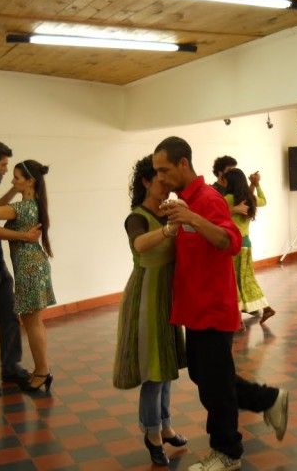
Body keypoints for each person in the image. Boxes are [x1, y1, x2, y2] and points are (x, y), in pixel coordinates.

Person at [153, 137, 288, 471]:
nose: (161, 178)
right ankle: (269, 399)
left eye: (165, 170)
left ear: (183, 163)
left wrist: (194, 219)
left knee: (215, 385)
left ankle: (227, 451)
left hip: (212, 307)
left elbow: (230, 241)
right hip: (195, 306)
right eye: (157, 172)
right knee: (207, 377)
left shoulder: (207, 199)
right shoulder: (185, 201)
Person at [112, 155, 187, 467]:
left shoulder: (168, 210)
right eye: (160, 180)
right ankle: (152, 433)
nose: (166, 185)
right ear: (145, 182)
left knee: (165, 366)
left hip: (166, 295)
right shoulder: (137, 217)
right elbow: (139, 244)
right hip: (146, 295)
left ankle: (166, 426)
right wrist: (169, 230)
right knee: (153, 372)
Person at [0, 159, 56, 393]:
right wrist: (14, 189)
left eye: (17, 178)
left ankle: (42, 371)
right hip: (35, 266)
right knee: (34, 322)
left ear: (30, 181)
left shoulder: (21, 209)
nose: (12, 180)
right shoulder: (32, 204)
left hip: (29, 269)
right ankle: (42, 370)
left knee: (32, 323)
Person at [223, 168, 275, 324]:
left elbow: (217, 214)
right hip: (246, 244)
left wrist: (232, 210)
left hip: (233, 244)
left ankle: (237, 319)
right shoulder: (250, 198)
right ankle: (266, 308)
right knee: (246, 278)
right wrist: (256, 184)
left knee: (232, 280)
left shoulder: (227, 199)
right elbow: (263, 200)